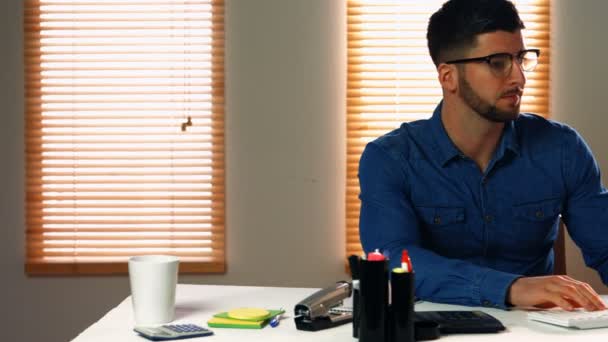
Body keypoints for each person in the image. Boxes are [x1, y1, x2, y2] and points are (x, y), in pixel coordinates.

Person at [358, 0, 608, 311]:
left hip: (535, 331)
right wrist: (511, 287)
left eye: (521, 59)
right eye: (498, 62)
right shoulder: (390, 158)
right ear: (448, 76)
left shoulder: (562, 148)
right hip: (434, 327)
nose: (519, 78)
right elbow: (394, 257)